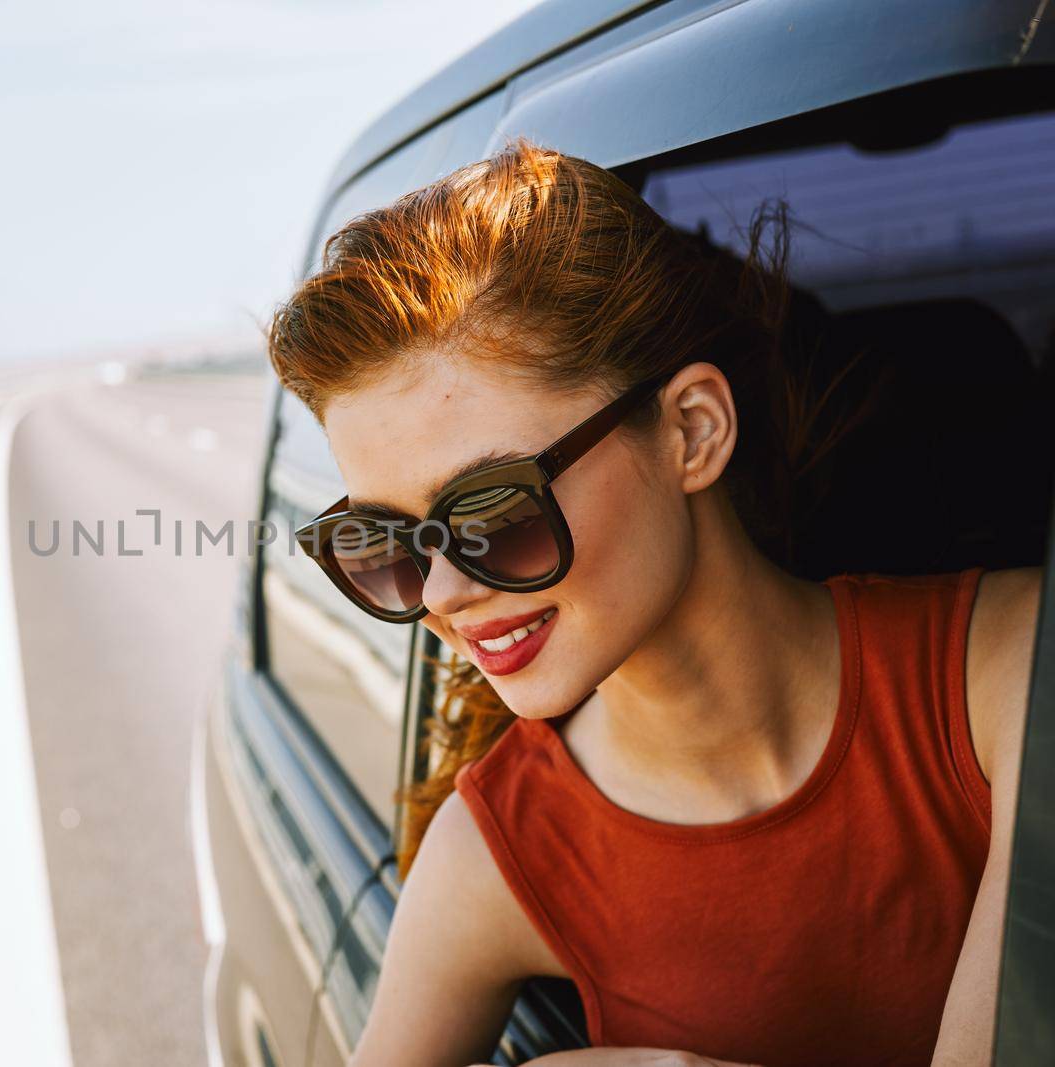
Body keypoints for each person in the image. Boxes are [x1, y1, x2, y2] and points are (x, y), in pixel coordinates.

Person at [264, 135, 1040, 1067]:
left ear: (693, 433)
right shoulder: (494, 854)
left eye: (496, 510)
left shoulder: (1011, 671)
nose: (443, 593)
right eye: (389, 543)